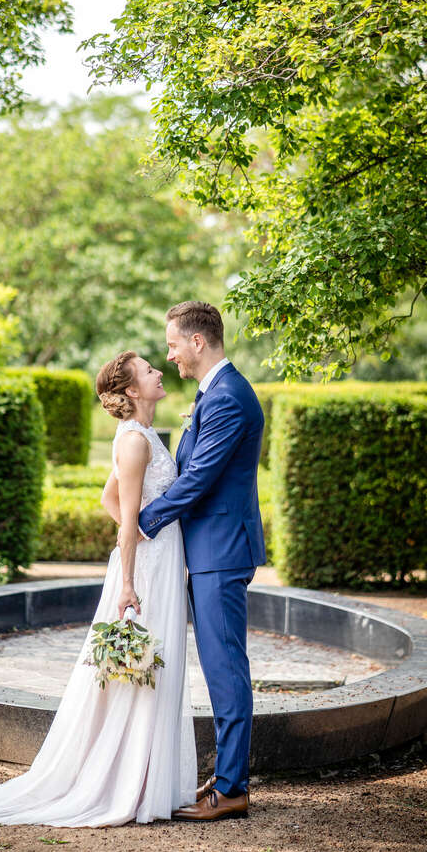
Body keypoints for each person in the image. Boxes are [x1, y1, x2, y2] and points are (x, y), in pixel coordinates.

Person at [0, 351, 196, 827]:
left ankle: (143, 778)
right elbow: (124, 516)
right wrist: (129, 579)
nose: (159, 371)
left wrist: (142, 532)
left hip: (157, 557)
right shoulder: (134, 442)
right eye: (148, 370)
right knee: (139, 670)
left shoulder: (141, 434)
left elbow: (107, 497)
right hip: (146, 572)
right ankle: (126, 785)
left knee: (152, 668)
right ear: (132, 389)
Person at [139, 301, 265, 822]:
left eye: (173, 344)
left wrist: (144, 521)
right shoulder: (213, 392)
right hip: (211, 550)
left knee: (225, 668)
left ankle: (232, 788)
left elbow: (198, 478)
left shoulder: (228, 397)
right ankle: (227, 775)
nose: (169, 355)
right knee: (220, 666)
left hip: (221, 551)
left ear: (197, 341)